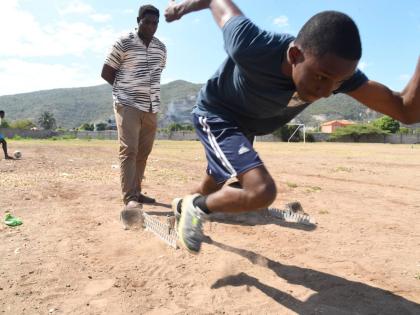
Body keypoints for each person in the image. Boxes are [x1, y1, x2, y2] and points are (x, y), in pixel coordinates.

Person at [164, 0, 420, 253]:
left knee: (213, 185)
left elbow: (405, 110)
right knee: (260, 190)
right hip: (218, 114)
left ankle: (184, 206)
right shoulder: (251, 44)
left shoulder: (334, 75)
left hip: (248, 127)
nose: (326, 92)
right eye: (321, 77)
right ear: (295, 55)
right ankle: (196, 208)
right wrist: (179, 8)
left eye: (337, 83)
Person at [101, 4, 167, 214]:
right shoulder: (124, 42)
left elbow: (157, 74)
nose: (151, 26)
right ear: (138, 20)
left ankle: (137, 192)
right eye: (147, 22)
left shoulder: (161, 48)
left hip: (151, 107)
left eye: (155, 23)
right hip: (127, 103)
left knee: (143, 152)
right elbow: (106, 72)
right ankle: (130, 199)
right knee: (129, 150)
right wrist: (125, 92)